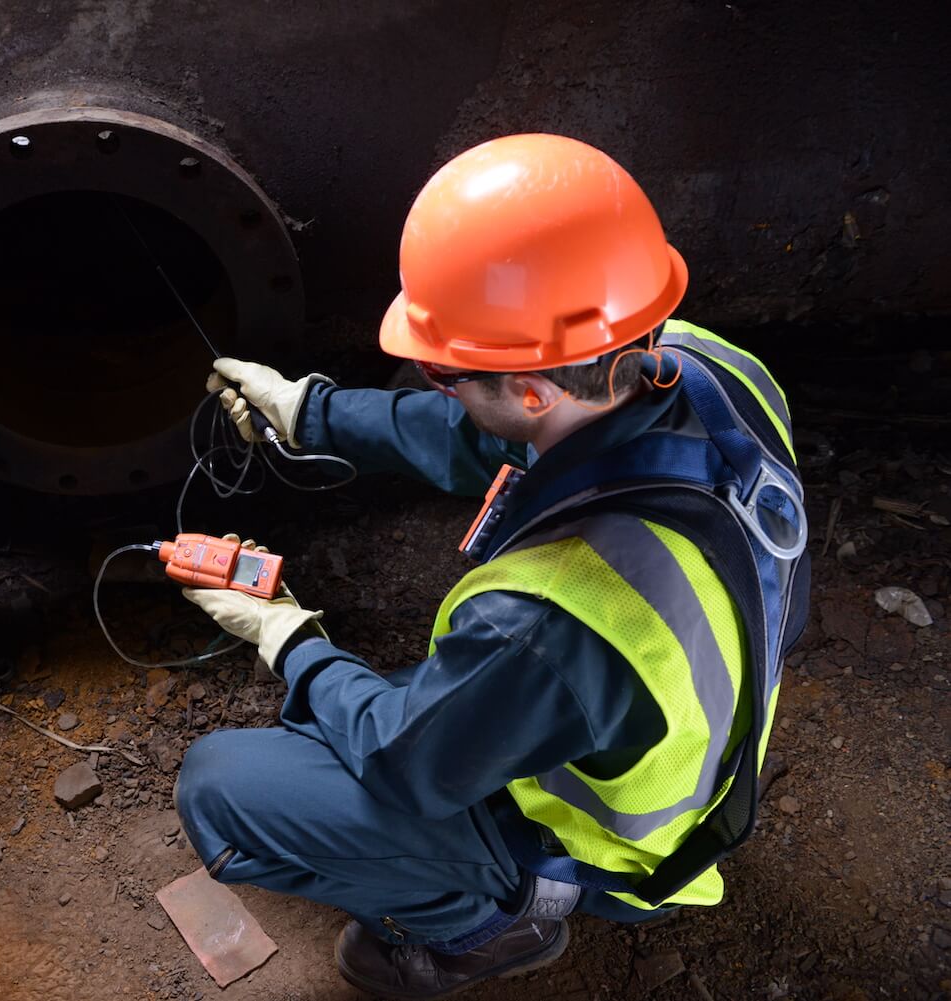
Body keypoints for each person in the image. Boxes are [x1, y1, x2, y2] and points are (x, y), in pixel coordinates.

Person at [175, 134, 810, 998]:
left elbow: (404, 758)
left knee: (226, 785)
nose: (429, 380)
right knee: (352, 717)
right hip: (675, 733)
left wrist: (292, 638)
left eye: (443, 371)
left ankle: (493, 924)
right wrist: (311, 412)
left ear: (536, 389)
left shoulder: (552, 618)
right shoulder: (705, 366)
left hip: (619, 844)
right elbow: (493, 432)